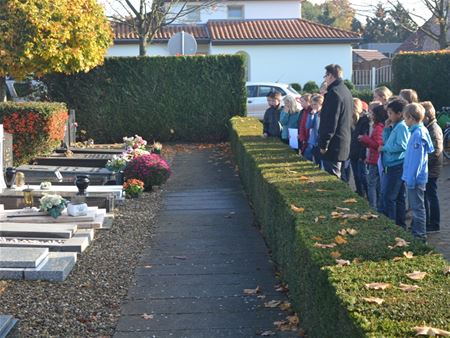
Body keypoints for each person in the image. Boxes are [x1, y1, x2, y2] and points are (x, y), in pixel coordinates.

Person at [402, 103, 434, 241]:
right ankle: (418, 233)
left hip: (415, 179)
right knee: (417, 207)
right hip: (414, 177)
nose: (404, 121)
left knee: (418, 208)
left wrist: (411, 179)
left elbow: (416, 160)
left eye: (405, 118)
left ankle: (420, 235)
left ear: (411, 118)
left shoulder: (417, 134)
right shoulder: (418, 131)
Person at [318, 64, 353, 178]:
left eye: (325, 76)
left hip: (333, 146)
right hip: (343, 144)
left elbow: (330, 122)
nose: (325, 79)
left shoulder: (334, 93)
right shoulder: (346, 90)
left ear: (331, 76)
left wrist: (324, 144)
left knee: (332, 180)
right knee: (341, 179)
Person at [379, 98, 409, 227]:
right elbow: (387, 141)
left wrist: (385, 149)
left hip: (396, 165)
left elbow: (402, 146)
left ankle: (392, 225)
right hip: (391, 165)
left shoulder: (401, 126)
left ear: (399, 113)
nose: (388, 116)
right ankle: (400, 224)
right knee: (398, 197)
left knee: (388, 197)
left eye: (390, 113)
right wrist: (386, 129)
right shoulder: (395, 125)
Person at [358, 105, 388, 209]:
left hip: (375, 160)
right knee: (376, 184)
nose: (370, 115)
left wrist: (365, 139)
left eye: (372, 114)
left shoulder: (379, 128)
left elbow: (378, 145)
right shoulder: (378, 127)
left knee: (372, 184)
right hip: (373, 159)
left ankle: (374, 206)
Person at [420, 101, 443, 233]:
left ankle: (434, 223)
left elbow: (435, 151)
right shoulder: (430, 127)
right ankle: (429, 221)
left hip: (431, 170)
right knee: (428, 195)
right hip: (429, 168)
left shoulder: (434, 129)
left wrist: (423, 162)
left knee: (431, 196)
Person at [349, 98, 370, 197]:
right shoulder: (352, 119)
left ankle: (367, 195)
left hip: (360, 152)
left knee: (363, 176)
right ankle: (360, 193)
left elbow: (363, 138)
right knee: (356, 176)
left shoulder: (364, 120)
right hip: (353, 152)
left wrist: (362, 155)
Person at [305, 94, 323, 164]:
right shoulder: (313, 114)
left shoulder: (323, 114)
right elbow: (308, 126)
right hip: (312, 141)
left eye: (315, 104)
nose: (313, 106)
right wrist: (311, 115)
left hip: (319, 141)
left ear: (320, 104)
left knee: (319, 161)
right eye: (312, 105)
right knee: (310, 159)